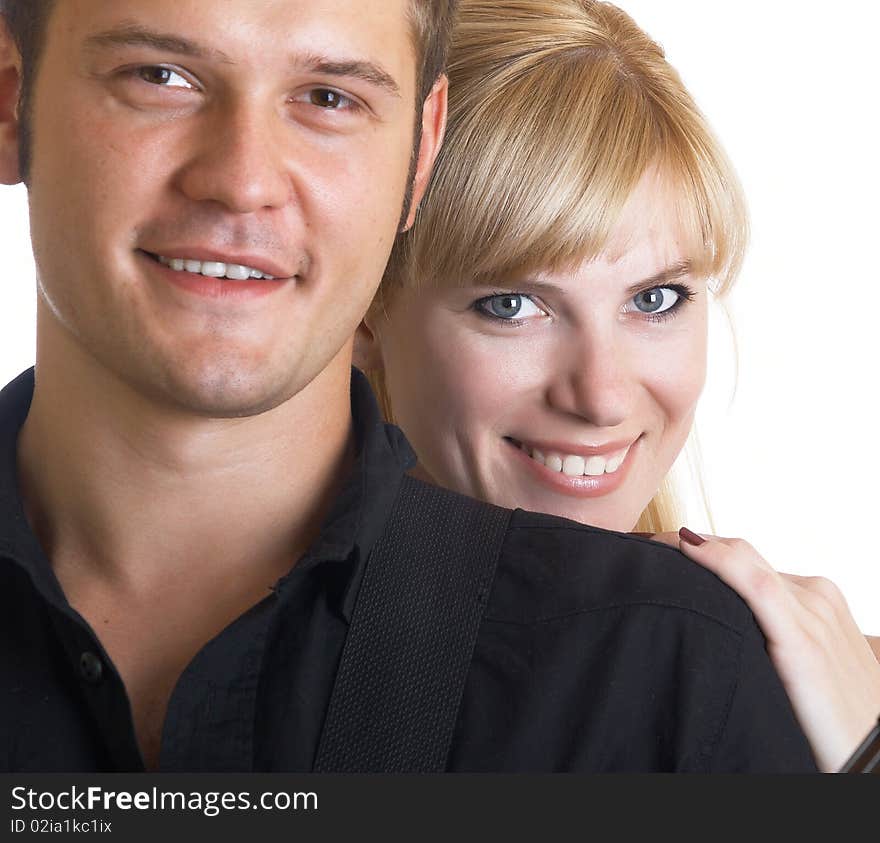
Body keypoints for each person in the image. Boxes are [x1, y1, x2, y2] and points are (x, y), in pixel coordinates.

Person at [0, 0, 817, 773]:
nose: (242, 181)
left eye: (328, 95)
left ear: (419, 154)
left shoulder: (682, 664)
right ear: (11, 101)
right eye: (159, 76)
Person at [355, 0, 880, 773]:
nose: (600, 397)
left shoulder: (796, 674)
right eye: (512, 305)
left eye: (656, 298)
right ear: (365, 309)